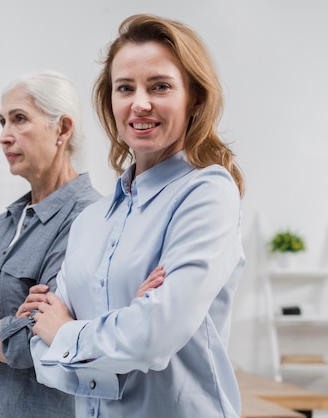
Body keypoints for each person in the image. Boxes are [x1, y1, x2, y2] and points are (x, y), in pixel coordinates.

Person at [21, 14, 246, 417]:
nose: (140, 103)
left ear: (194, 97)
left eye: (159, 86)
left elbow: (152, 337)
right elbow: (40, 348)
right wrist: (121, 328)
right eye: (125, 88)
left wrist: (68, 333)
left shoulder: (207, 193)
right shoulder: (90, 222)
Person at [0, 70, 101, 418]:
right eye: (2, 122)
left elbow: (38, 342)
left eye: (19, 119)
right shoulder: (4, 223)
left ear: (62, 129)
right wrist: (4, 334)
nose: (4, 136)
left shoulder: (89, 218)